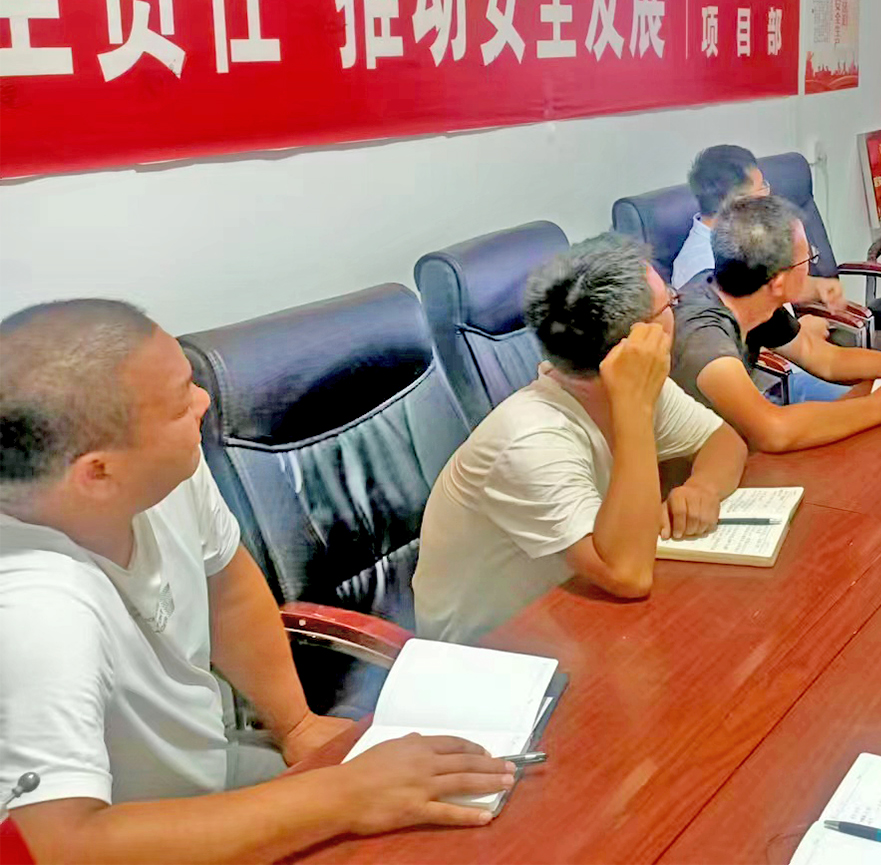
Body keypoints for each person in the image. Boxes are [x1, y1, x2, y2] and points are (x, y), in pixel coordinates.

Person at [0, 300, 515, 863]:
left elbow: (229, 587)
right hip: (135, 835)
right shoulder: (37, 610)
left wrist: (295, 724)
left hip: (214, 765)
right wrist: (343, 796)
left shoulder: (162, 470)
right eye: (181, 401)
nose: (205, 402)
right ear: (98, 473)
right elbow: (67, 845)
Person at [413, 234, 747, 642]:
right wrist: (634, 410)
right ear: (638, 343)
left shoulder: (635, 389)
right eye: (670, 303)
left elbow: (724, 441)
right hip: (487, 652)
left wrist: (702, 487)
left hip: (573, 611)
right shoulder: (530, 439)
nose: (677, 310)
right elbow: (628, 574)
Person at [671, 196, 881, 453]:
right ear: (779, 282)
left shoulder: (747, 292)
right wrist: (879, 407)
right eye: (807, 259)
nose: (811, 269)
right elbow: (772, 430)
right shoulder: (704, 336)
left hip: (730, 447)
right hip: (695, 471)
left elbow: (826, 359)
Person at [671, 145, 847, 314]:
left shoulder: (745, 236)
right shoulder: (703, 268)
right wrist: (801, 331)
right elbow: (740, 328)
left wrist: (817, 287)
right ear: (739, 202)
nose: (768, 194)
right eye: (762, 187)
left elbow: (771, 288)